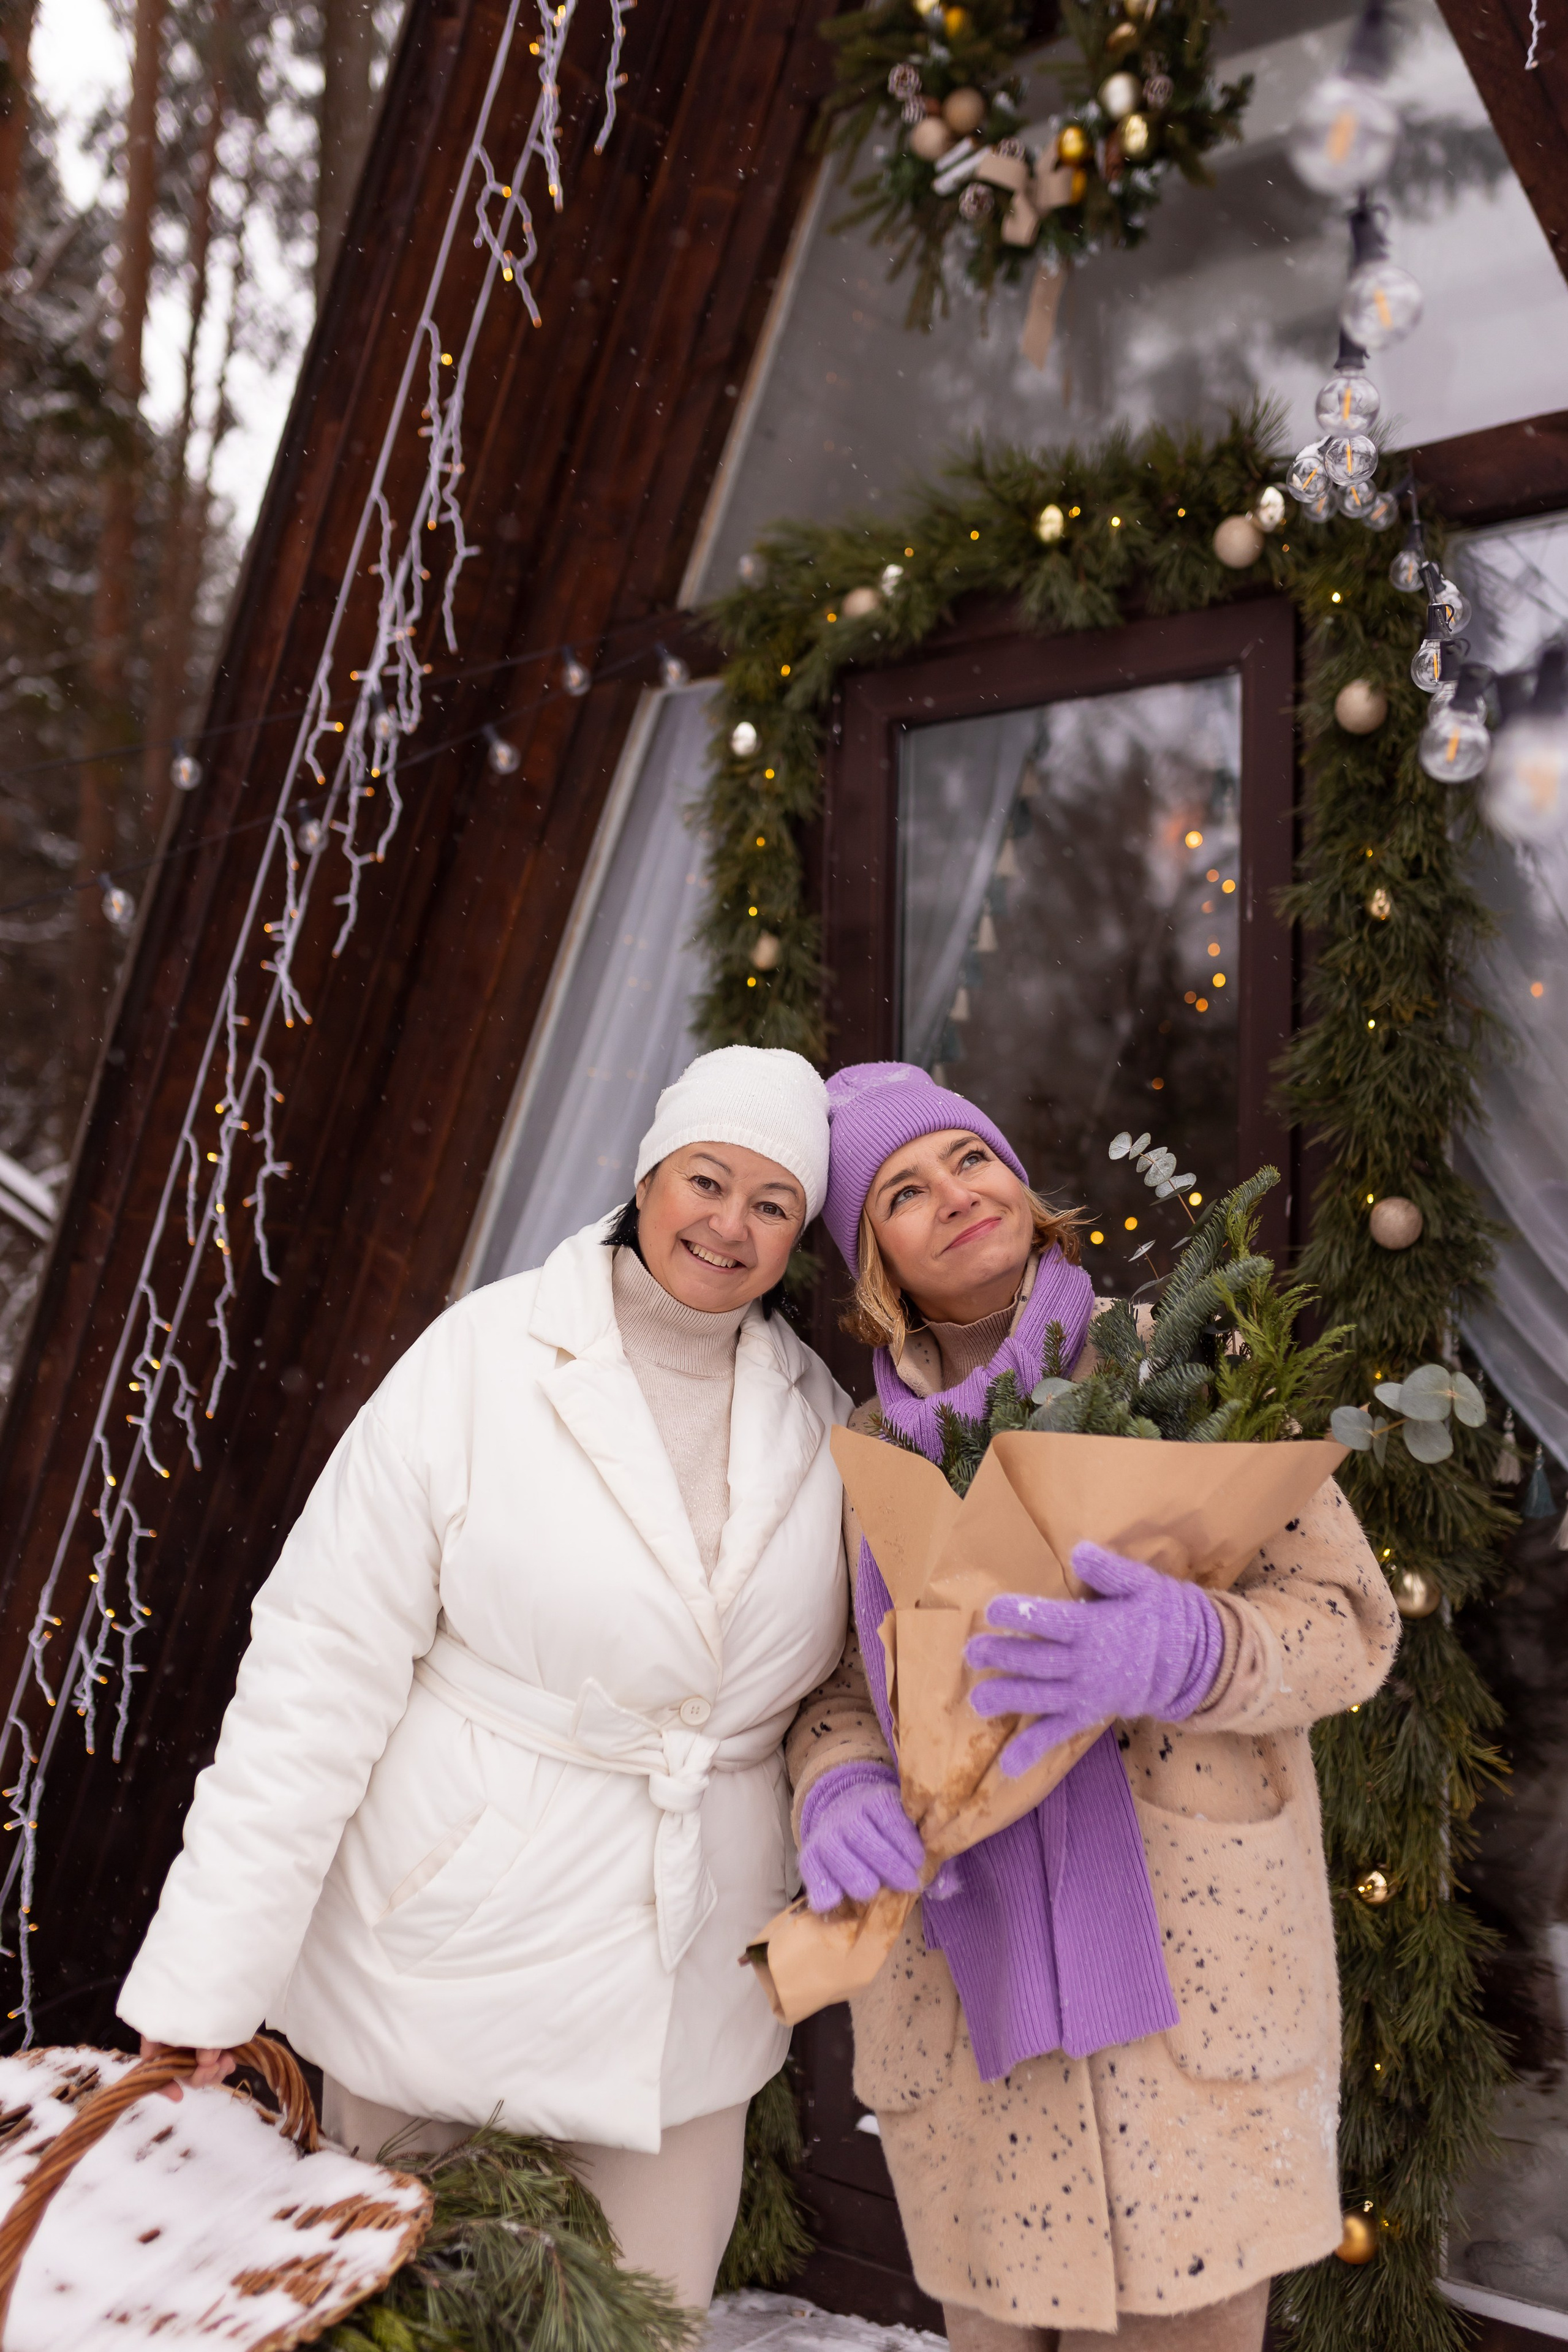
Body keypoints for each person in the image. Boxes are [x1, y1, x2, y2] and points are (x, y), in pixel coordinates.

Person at [118, 1044, 853, 2313]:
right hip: (451, 1960)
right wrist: (210, 1977)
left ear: (798, 1238)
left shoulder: (822, 1418)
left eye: (772, 1202)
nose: (729, 1225)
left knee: (644, 2327)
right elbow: (317, 1671)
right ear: (647, 1177)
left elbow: (838, 1686)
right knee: (399, 2321)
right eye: (706, 1179)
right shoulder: (481, 1360)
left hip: (681, 2003)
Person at [786, 1060, 1400, 2352]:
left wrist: (1190, 1651)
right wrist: (838, 1783)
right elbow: (836, 1687)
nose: (955, 1193)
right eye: (904, 1190)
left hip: (1192, 1998)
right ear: (873, 1263)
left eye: (969, 1156)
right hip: (973, 2016)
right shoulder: (865, 1457)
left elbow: (1347, 1624)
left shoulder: (1186, 1358)